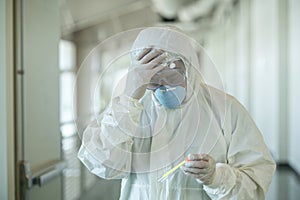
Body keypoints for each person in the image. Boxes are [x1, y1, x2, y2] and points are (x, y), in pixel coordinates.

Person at [78, 26, 276, 200]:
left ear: (189, 69)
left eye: (171, 78)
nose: (162, 88)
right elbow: (104, 165)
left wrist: (216, 177)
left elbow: (255, 184)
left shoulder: (225, 109)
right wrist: (129, 97)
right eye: (153, 82)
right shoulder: (128, 108)